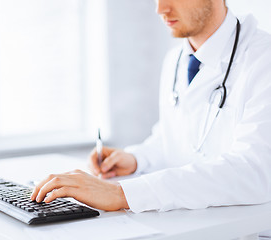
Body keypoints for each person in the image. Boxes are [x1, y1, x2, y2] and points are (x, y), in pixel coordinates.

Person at [31, 0, 271, 214]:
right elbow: (173, 140)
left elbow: (254, 171)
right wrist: (136, 159)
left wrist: (122, 194)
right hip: (187, 221)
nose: (160, 9)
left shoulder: (263, 59)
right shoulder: (175, 60)